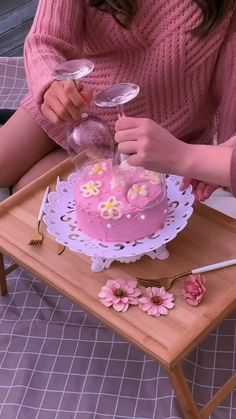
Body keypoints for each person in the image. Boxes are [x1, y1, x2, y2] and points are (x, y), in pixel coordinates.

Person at [0, 0, 235, 196]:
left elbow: (231, 96)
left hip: (156, 139)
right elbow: (46, 38)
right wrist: (50, 86)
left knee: (30, 198)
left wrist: (219, 164)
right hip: (74, 104)